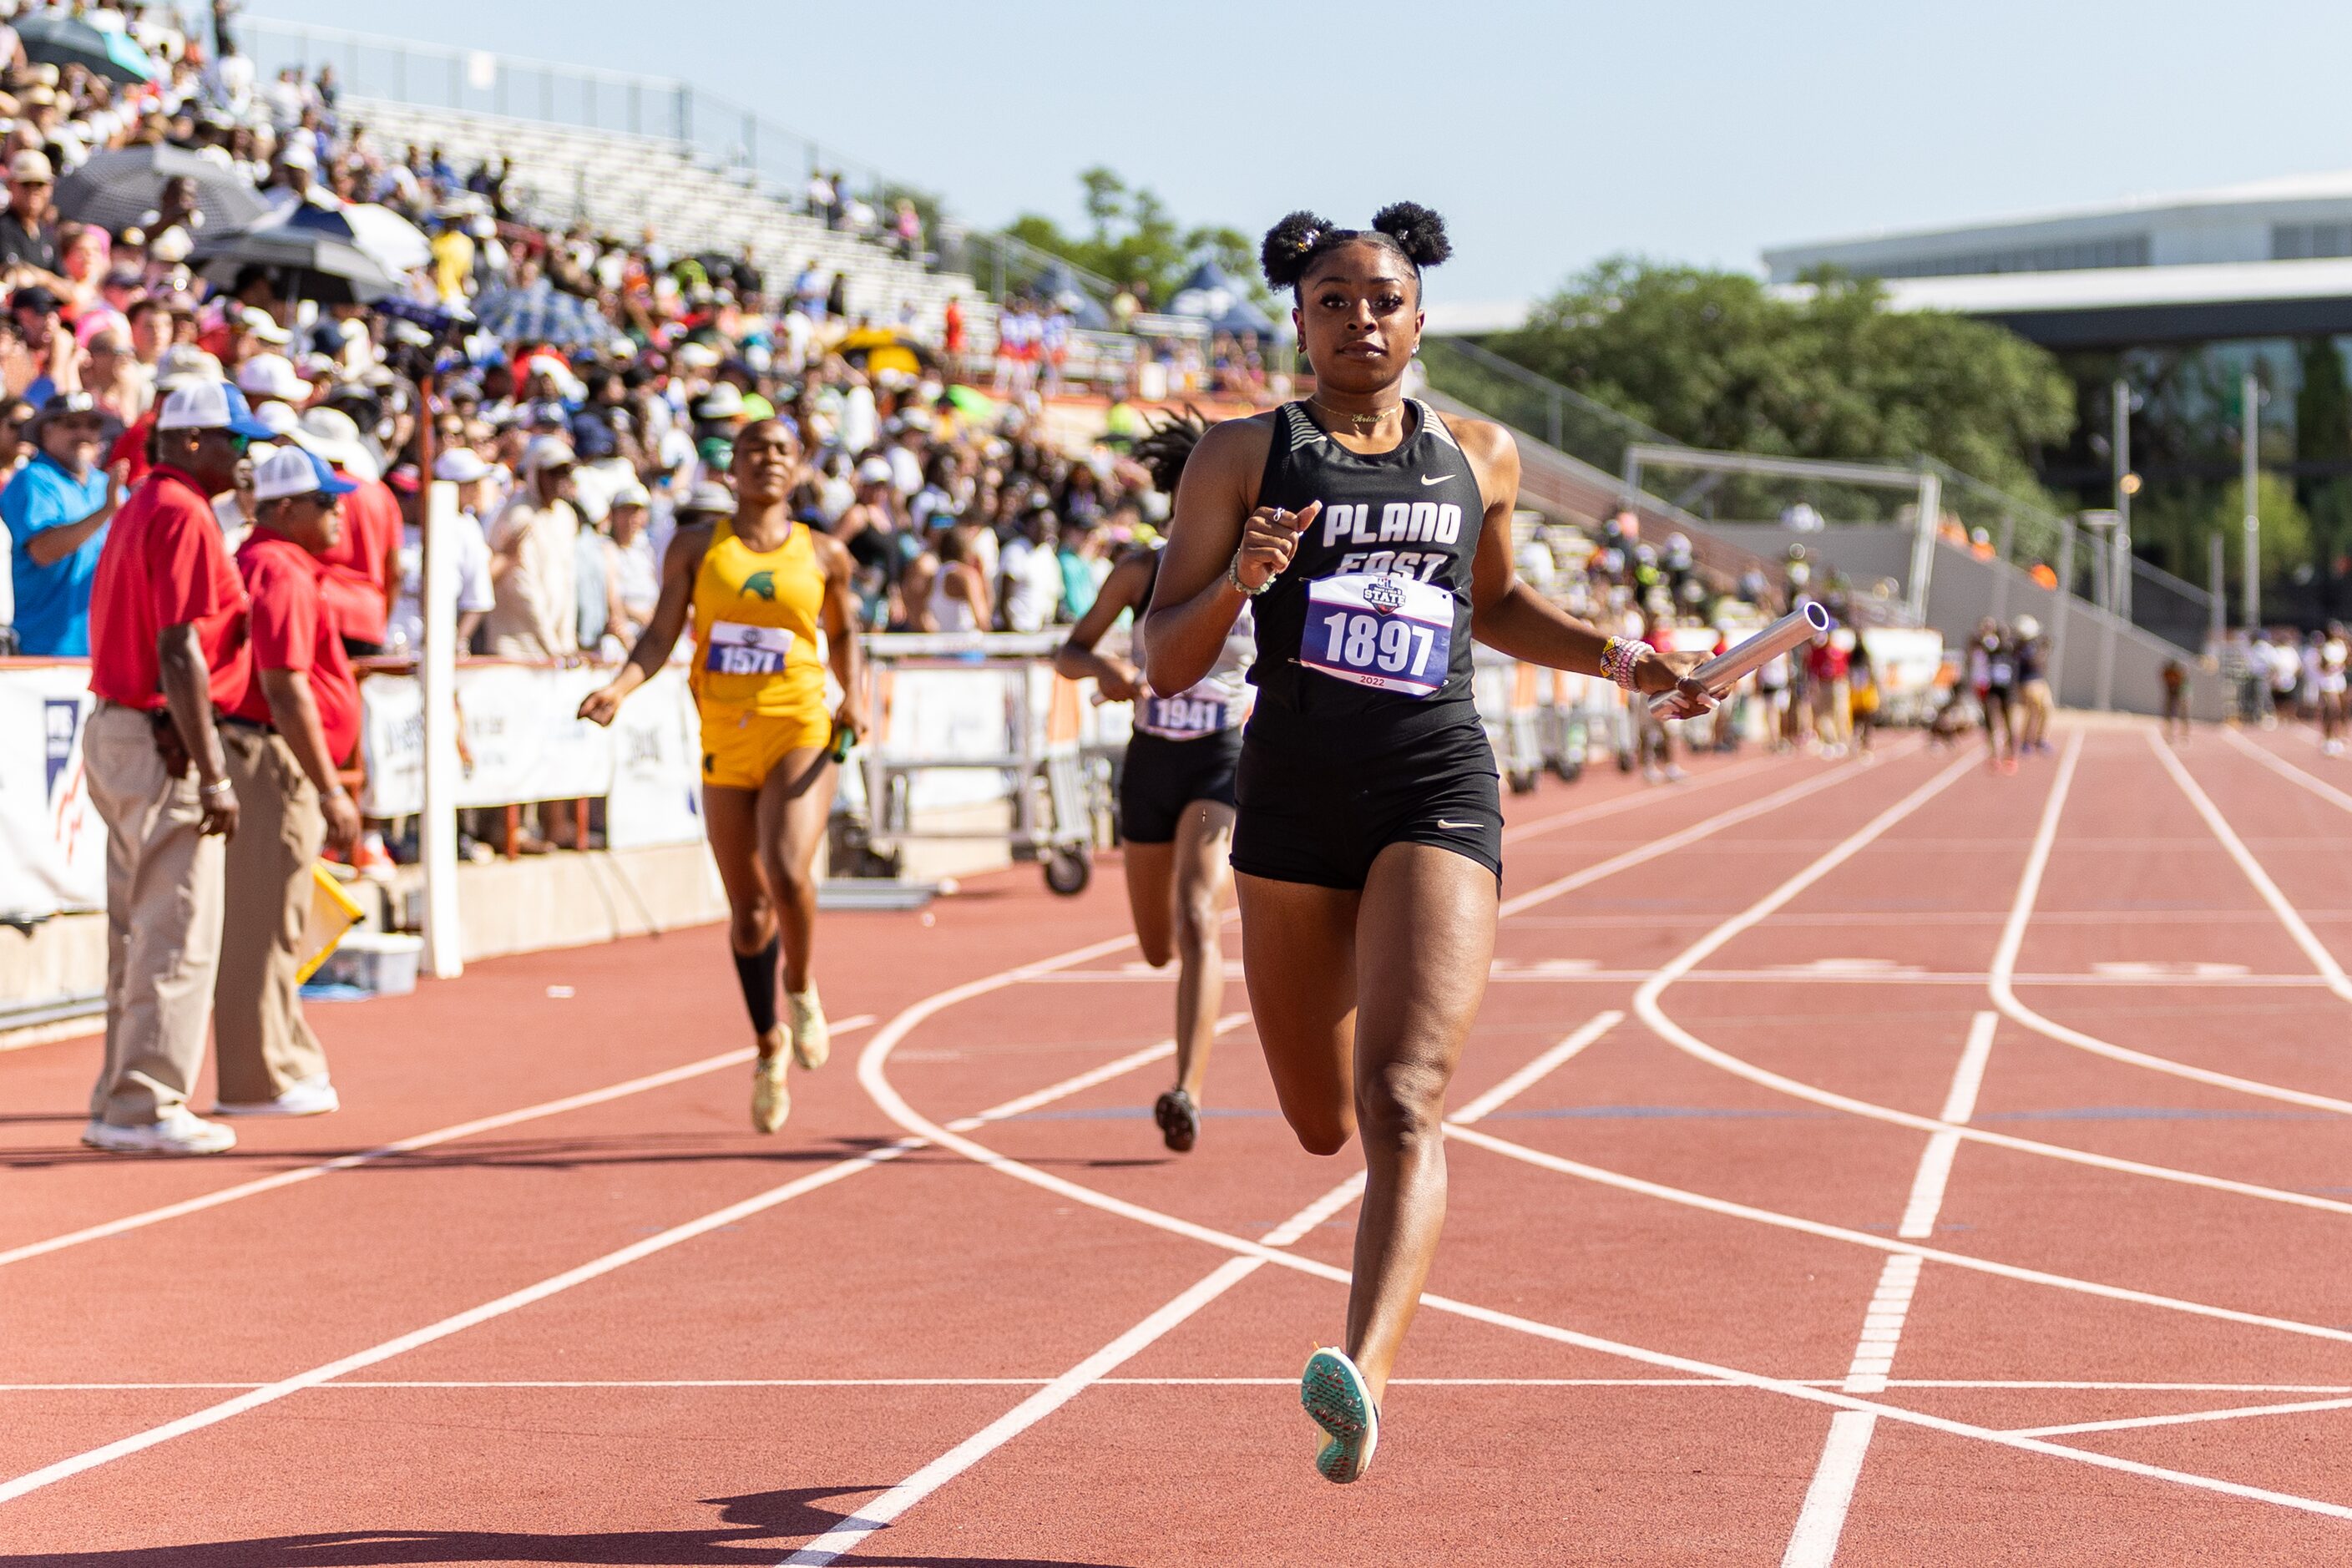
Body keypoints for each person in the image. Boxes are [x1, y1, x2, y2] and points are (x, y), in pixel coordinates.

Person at [1141, 205, 1709, 1484]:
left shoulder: (1479, 453)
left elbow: (1497, 602)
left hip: (1431, 781)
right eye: (1334, 299)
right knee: (1315, 1121)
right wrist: (1243, 579)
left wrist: (1629, 658)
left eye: (1383, 297)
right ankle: (1359, 1317)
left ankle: (1363, 1377)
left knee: (1403, 1098)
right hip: (1288, 797)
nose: (1361, 318)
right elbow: (1159, 654)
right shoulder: (1241, 456)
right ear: (1298, 315)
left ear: (1421, 310)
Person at [579, 421, 866, 1132]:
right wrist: (619, 688)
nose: (767, 460)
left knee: (787, 869)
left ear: (796, 470)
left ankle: (799, 987)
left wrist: (853, 695)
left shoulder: (824, 554)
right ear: (731, 468)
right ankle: (768, 1044)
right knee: (747, 916)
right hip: (722, 736)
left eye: (780, 451)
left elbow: (847, 633)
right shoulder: (697, 547)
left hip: (799, 724)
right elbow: (660, 633)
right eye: (753, 450)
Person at [79, 381, 273, 1156]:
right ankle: (144, 1102)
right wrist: (214, 768)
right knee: (177, 928)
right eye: (233, 438)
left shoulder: (146, 504)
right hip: (159, 731)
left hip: (125, 724)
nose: (244, 453)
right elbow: (179, 648)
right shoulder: (182, 510)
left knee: (137, 928)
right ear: (192, 440)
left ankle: (121, 1093)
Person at [1055, 413, 1249, 1153]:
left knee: (1198, 913)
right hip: (1151, 761)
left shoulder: (1261, 569)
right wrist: (1105, 669)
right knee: (1156, 946)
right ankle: (1183, 1036)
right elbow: (1069, 651)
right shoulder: (1141, 569)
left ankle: (1185, 1090)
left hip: (1221, 757)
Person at [212, 447, 365, 1117]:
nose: (339, 511)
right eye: (324, 501)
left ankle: (280, 1059)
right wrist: (330, 787)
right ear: (285, 509)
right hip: (267, 757)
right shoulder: (279, 565)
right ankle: (255, 1078)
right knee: (260, 922)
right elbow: (283, 684)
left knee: (277, 919)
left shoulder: (275, 561)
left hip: (269, 754)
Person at [3, 392, 121, 655]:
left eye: (92, 425)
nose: (83, 433)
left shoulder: (107, 484)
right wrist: (106, 512)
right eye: (71, 424)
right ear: (46, 430)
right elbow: (43, 551)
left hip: (107, 649)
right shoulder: (32, 480)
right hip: (43, 652)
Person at [484, 435, 581, 660]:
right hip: (517, 644)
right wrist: (551, 644)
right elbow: (521, 585)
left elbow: (568, 580)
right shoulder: (518, 515)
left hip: (556, 647)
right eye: (552, 472)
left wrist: (566, 639)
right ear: (535, 472)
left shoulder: (565, 515)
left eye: (564, 472)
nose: (559, 480)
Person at [1968, 617, 2016, 772]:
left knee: (2009, 722)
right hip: (1992, 688)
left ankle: (2011, 755)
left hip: (2007, 690)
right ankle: (1994, 754)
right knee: (1990, 721)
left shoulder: (2010, 647)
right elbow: (1976, 644)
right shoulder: (1989, 646)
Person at [2012, 615, 2053, 754]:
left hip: (2039, 681)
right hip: (2029, 683)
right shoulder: (2023, 647)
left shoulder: (2030, 645)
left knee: (2046, 709)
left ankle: (2040, 738)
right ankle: (2026, 741)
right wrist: (2045, 649)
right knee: (2033, 712)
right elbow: (2035, 662)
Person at [2160, 657, 2190, 746]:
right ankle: (2168, 735)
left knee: (2183, 715)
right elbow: (2165, 682)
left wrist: (2184, 698)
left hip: (2181, 692)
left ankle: (2184, 735)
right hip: (2170, 692)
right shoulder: (2166, 672)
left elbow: (2185, 687)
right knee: (2168, 715)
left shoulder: (2181, 675)